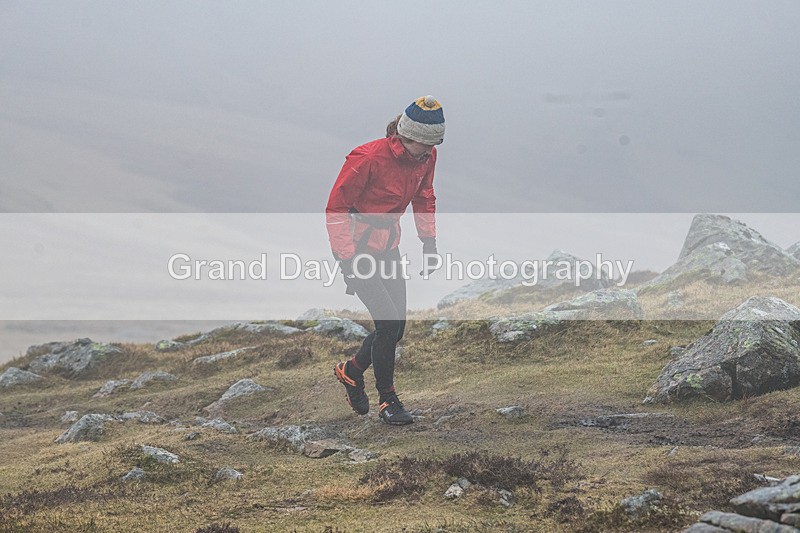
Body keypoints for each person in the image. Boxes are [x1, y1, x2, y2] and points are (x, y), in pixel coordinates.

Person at [326, 95, 445, 425]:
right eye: (425, 145)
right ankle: (388, 401)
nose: (429, 153)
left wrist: (429, 242)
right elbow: (336, 209)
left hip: (388, 245)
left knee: (396, 328)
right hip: (356, 249)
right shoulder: (367, 158)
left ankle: (351, 372)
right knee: (388, 325)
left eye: (434, 146)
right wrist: (347, 258)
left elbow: (424, 196)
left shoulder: (426, 156)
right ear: (408, 136)